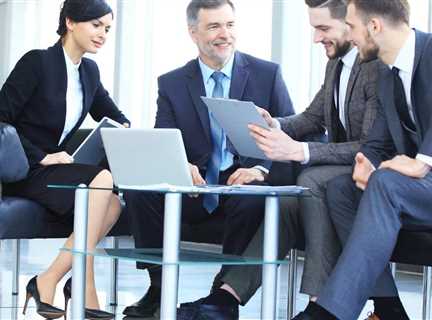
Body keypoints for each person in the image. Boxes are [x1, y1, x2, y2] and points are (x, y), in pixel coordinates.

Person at [176, 1, 386, 319]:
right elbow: (312, 119)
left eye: (323, 29)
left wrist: (299, 152)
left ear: (350, 24)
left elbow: (371, 145)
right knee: (285, 205)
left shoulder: (374, 67)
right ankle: (227, 296)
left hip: (361, 174)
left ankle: (321, 304)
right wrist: (271, 123)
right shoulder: (337, 64)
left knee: (309, 182)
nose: (317, 38)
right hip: (335, 172)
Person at [122, 0, 294, 318]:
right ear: (193, 32)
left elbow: (289, 136)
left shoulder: (266, 75)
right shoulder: (172, 83)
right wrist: (178, 165)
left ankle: (222, 295)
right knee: (139, 190)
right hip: (195, 187)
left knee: (252, 197)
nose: (224, 34)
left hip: (240, 184)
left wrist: (259, 169)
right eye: (214, 26)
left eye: (229, 25)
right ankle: (158, 287)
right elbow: (165, 140)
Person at [314, 0, 432, 319]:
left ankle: (331, 313)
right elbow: (378, 142)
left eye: (350, 26)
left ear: (374, 26)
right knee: (341, 191)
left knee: (388, 184)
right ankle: (389, 308)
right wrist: (365, 162)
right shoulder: (388, 78)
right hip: (430, 196)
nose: (348, 35)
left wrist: (425, 160)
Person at [0, 0, 130, 319]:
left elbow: (113, 115)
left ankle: (50, 278)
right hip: (28, 170)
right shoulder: (37, 63)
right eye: (96, 25)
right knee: (102, 180)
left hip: (57, 171)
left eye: (108, 29)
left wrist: (126, 129)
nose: (103, 34)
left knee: (113, 203)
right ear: (71, 23)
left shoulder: (88, 71)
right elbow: (2, 118)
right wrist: (42, 156)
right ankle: (80, 286)